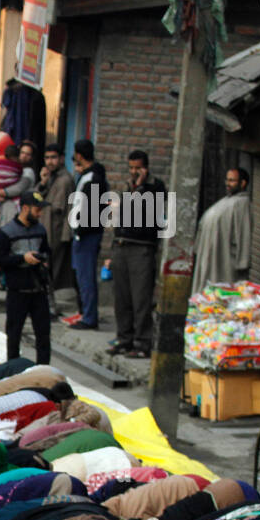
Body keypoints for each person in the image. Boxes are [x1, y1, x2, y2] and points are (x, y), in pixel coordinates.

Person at [105, 149, 167, 358]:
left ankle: (142, 343)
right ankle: (124, 339)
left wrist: (140, 186)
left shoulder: (155, 187)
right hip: (121, 246)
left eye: (137, 168)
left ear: (146, 167)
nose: (133, 172)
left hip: (141, 248)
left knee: (141, 298)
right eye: (131, 168)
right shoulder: (127, 187)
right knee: (122, 298)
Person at [0, 190, 53, 364]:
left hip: (39, 290)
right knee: (14, 334)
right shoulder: (7, 232)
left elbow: (47, 251)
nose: (39, 214)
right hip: (17, 290)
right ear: (25, 208)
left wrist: (44, 260)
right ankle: (13, 368)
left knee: (43, 334)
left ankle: (43, 370)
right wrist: (22, 258)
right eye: (37, 210)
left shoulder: (40, 230)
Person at [68, 138, 110, 329]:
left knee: (86, 277)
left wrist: (81, 229)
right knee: (81, 275)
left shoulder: (93, 178)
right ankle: (85, 312)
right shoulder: (87, 176)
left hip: (87, 235)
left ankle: (89, 317)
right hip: (83, 233)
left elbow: (91, 209)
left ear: (79, 155)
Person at [192, 167, 253, 292]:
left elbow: (243, 234)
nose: (228, 184)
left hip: (222, 260)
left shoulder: (242, 204)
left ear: (242, 183)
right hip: (210, 256)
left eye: (232, 181)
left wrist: (242, 263)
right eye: (227, 180)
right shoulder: (227, 201)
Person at [39, 143, 76, 315]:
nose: (50, 161)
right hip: (45, 230)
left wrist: (66, 235)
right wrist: (43, 182)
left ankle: (51, 307)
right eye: (47, 158)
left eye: (53, 157)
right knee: (45, 270)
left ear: (61, 158)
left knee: (51, 271)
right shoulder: (51, 178)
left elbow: (68, 209)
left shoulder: (65, 180)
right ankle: (47, 305)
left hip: (56, 231)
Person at [0, 137, 29, 287]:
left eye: (27, 154)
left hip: (10, 211)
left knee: (9, 247)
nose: (24, 157)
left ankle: (4, 280)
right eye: (22, 153)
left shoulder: (26, 173)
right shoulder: (15, 170)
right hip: (0, 211)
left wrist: (1, 192)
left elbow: (18, 188)